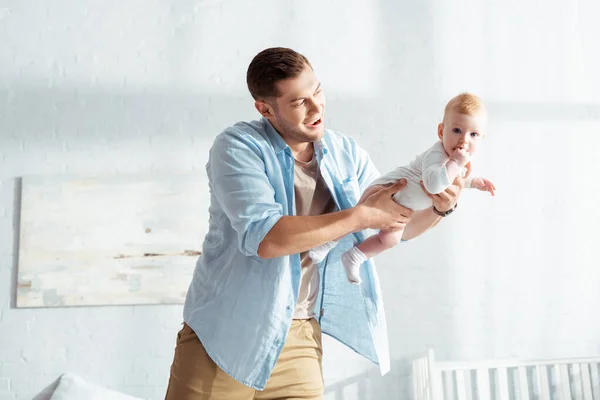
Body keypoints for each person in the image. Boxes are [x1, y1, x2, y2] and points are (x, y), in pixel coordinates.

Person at [165, 47, 466, 400]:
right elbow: (266, 238)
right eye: (298, 102)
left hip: (300, 338)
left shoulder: (344, 152)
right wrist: (359, 216)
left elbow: (397, 224)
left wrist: (438, 210)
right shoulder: (237, 147)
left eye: (318, 91)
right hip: (226, 338)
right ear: (266, 109)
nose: (316, 107)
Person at [309, 92, 496, 284]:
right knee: (358, 220)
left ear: (482, 138)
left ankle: (355, 256)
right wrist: (456, 163)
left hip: (400, 209)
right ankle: (326, 244)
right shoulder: (437, 154)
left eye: (473, 135)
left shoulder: (456, 163)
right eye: (457, 130)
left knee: (391, 240)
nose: (464, 140)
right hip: (385, 190)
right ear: (441, 131)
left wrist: (474, 182)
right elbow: (433, 185)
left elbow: (458, 179)